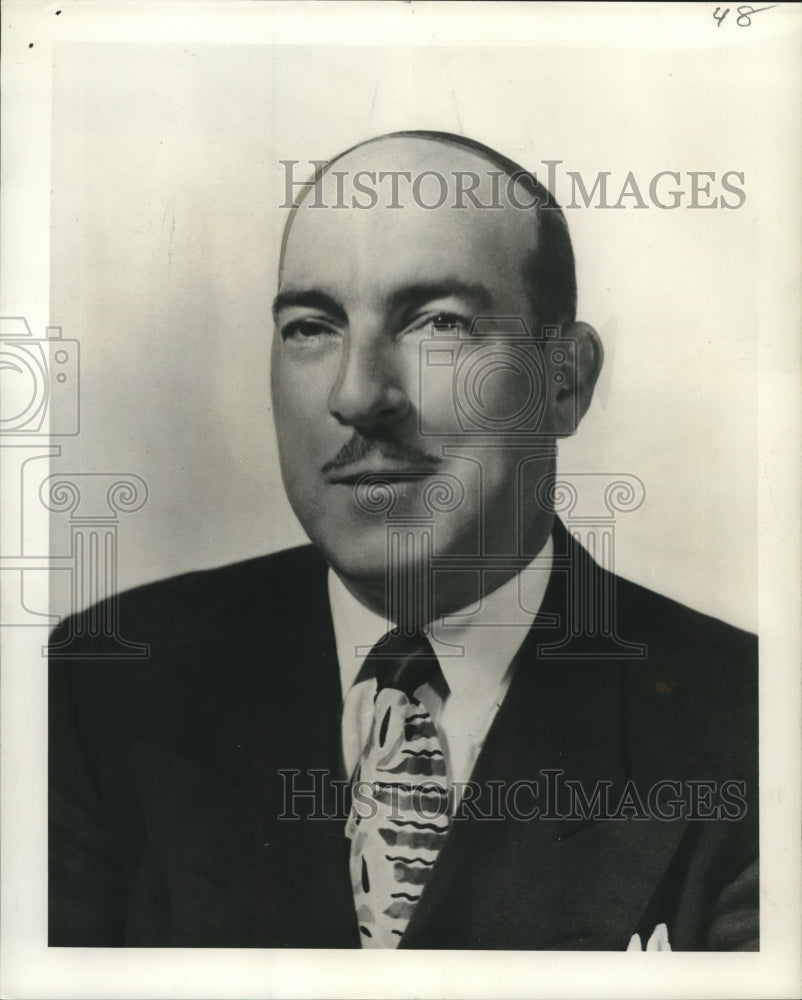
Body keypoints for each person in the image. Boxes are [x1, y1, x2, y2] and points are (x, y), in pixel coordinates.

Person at [49, 131, 758, 950]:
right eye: (312, 327)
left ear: (564, 381)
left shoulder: (753, 729)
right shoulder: (102, 686)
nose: (357, 395)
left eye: (437, 323)